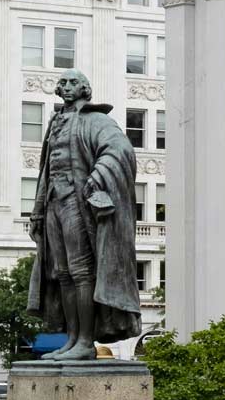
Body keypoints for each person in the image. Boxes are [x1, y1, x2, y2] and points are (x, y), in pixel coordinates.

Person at [27, 70, 141, 361]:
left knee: (80, 272)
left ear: (85, 89)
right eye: (62, 83)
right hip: (54, 203)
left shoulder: (96, 120)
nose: (66, 87)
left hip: (78, 203)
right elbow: (45, 172)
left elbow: (119, 150)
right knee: (61, 273)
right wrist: (38, 211)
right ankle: (73, 339)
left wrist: (98, 177)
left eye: (73, 83)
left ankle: (85, 342)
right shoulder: (55, 123)